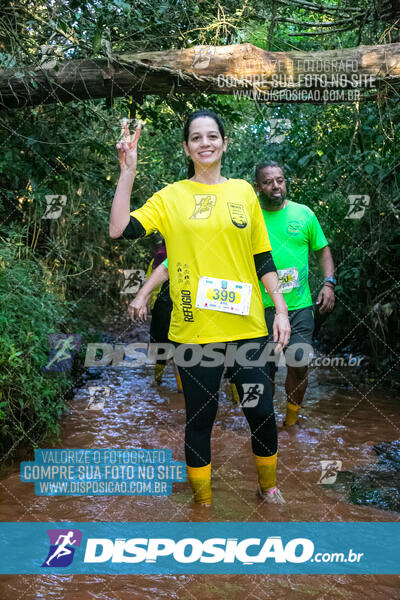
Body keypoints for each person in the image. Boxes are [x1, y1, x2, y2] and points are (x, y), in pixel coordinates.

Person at [109, 109, 291, 506]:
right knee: (200, 419)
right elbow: (120, 230)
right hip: (194, 331)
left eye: (212, 136)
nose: (205, 143)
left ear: (225, 143)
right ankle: (203, 502)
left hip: (246, 326)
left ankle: (268, 488)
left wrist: (279, 309)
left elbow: (263, 256)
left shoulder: (244, 191)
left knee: (259, 410)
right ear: (186, 147)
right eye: (196, 137)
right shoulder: (172, 197)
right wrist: (128, 172)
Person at [254, 160, 336, 427]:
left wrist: (329, 283)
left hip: (299, 306)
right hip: (259, 307)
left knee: (299, 363)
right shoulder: (250, 216)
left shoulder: (304, 214)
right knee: (262, 368)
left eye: (280, 180)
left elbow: (322, 250)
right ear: (258, 186)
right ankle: (264, 423)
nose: (276, 186)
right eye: (268, 181)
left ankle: (290, 423)